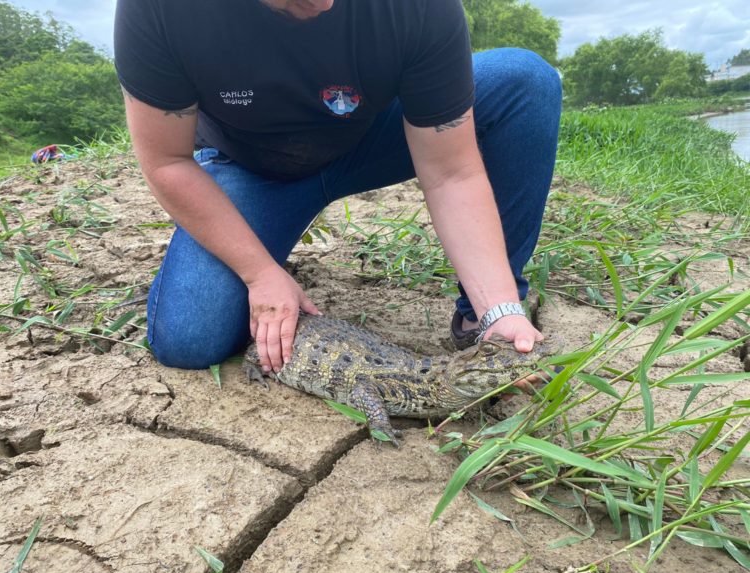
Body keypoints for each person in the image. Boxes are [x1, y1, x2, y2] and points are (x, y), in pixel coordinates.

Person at [114, 0, 562, 374]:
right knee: (190, 339)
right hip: (252, 166)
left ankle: (480, 315)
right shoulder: (165, 9)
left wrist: (498, 307)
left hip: (370, 138)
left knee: (523, 81)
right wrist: (260, 273)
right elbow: (167, 161)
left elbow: (452, 172)